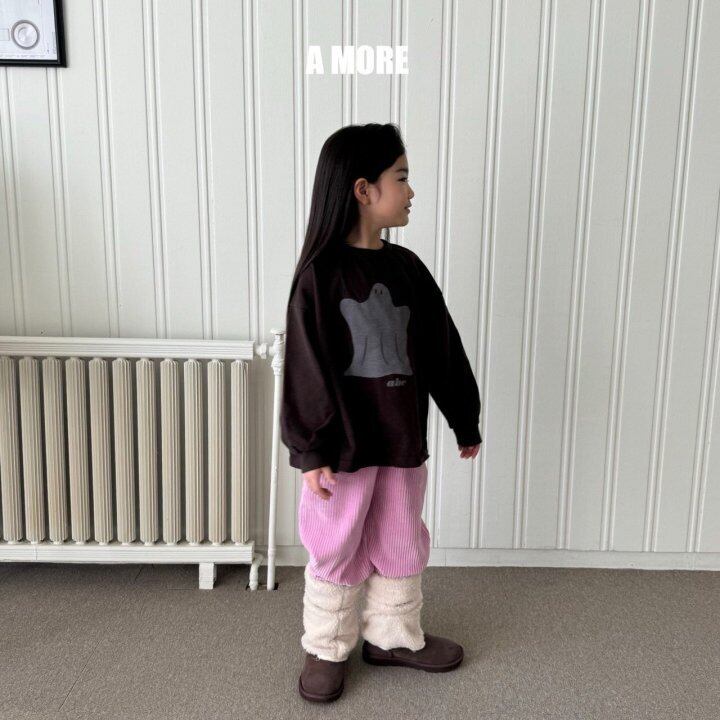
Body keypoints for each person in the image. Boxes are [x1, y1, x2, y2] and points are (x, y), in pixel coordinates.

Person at [280, 123, 482, 703]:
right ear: (364, 190)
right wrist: (312, 449)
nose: (411, 191)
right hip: (342, 449)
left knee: (400, 534)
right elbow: (306, 368)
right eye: (402, 178)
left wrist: (463, 416)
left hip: (399, 441)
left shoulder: (408, 270)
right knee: (337, 540)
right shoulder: (319, 276)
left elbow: (442, 349)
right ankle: (326, 646)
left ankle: (393, 636)